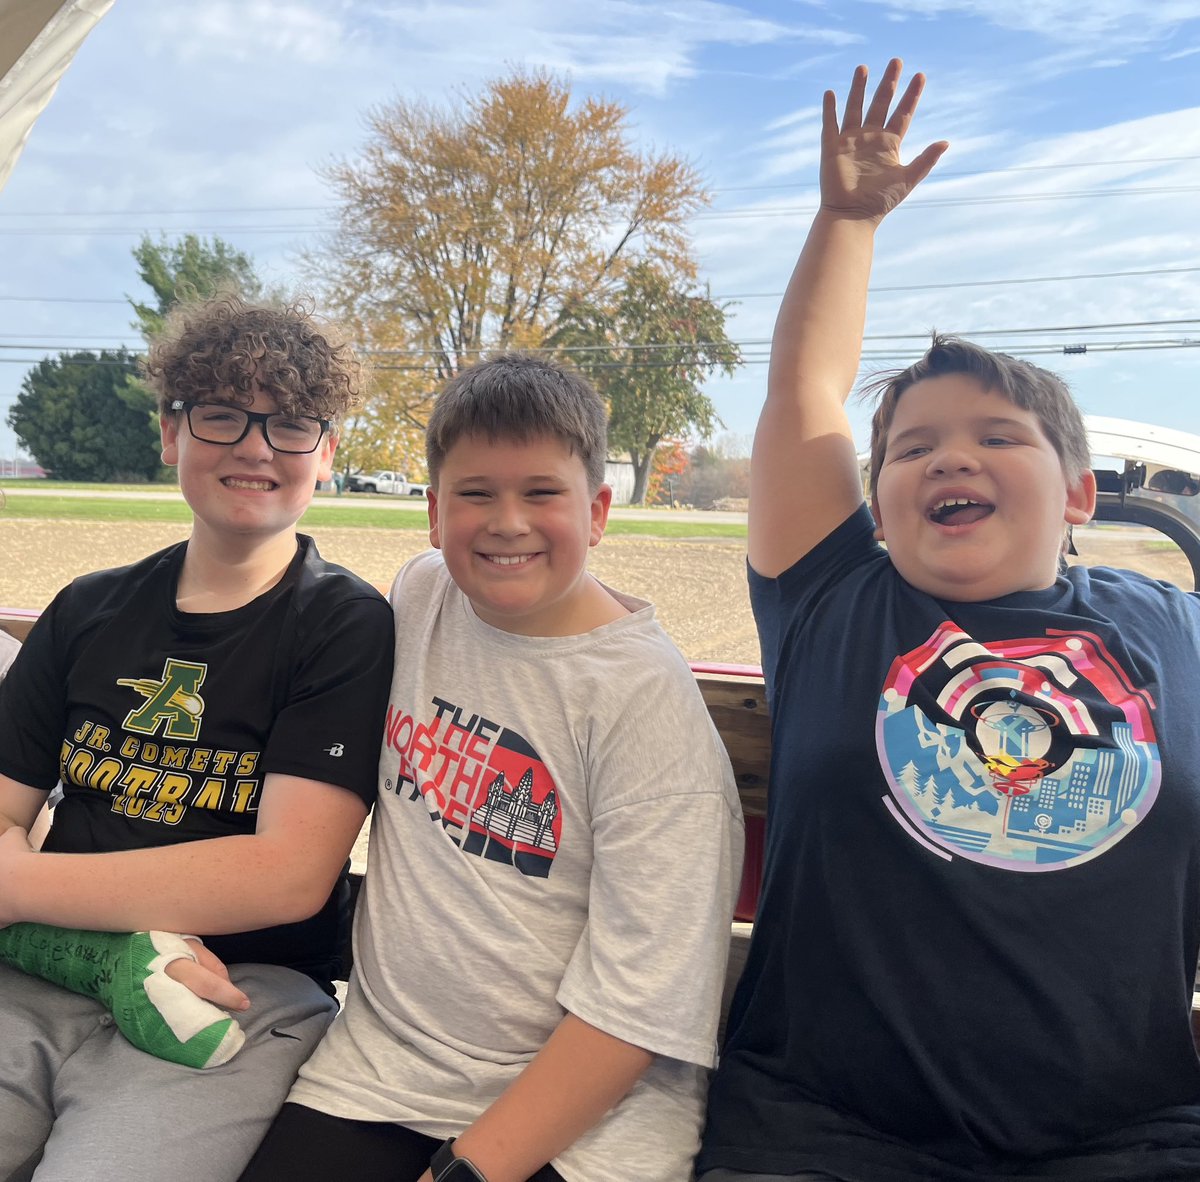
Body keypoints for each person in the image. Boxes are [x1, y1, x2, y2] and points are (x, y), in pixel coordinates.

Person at [697, 58, 1200, 1182]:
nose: (950, 456)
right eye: (912, 448)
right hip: (822, 1134)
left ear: (1077, 494)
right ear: (876, 500)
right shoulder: (832, 601)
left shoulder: (1173, 627)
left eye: (998, 435)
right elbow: (805, 397)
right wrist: (845, 220)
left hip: (1124, 1138)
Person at [240, 353, 745, 1182]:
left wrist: (472, 1168)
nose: (507, 521)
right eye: (477, 494)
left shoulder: (644, 709)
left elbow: (640, 1007)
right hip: (381, 1072)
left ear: (599, 511)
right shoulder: (423, 594)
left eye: (541, 493)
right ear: (435, 513)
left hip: (586, 1118)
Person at [0, 293, 394, 1182]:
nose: (255, 446)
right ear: (172, 433)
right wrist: (98, 947)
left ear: (326, 454)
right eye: (221, 414)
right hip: (43, 975)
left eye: (291, 424)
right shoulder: (88, 609)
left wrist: (24, 882)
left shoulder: (341, 625)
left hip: (236, 997)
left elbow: (284, 875)